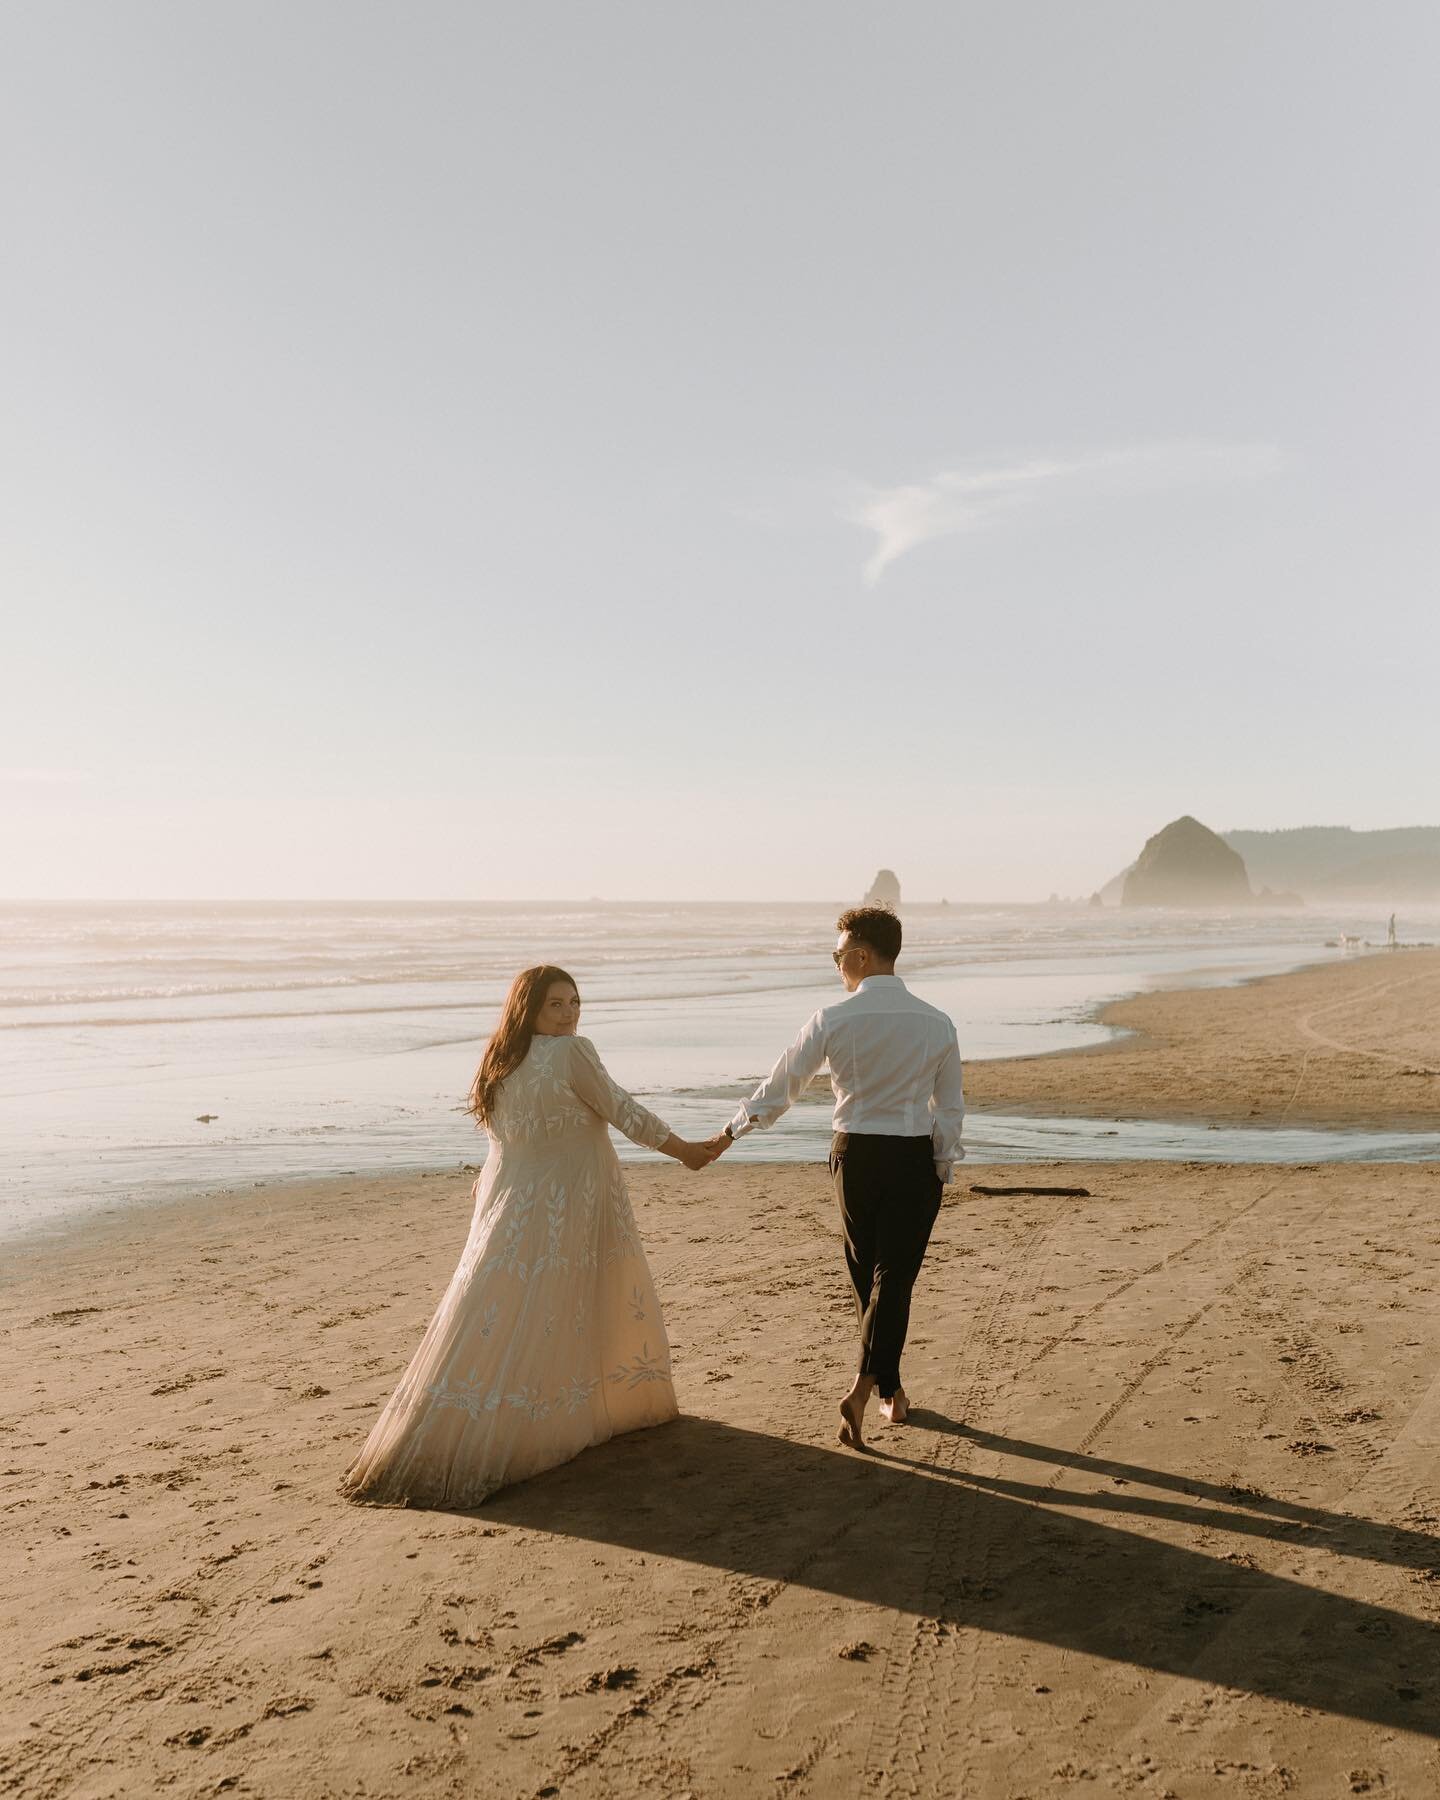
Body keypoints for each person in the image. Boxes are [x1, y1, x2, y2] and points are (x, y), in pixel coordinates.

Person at [342, 965, 718, 1508]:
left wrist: (487, 1193)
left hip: (512, 1200)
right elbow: (622, 1111)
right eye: (555, 1006)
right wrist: (683, 1150)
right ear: (530, 1011)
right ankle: (570, 1416)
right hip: (569, 1197)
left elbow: (499, 1139)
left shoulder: (498, 1059)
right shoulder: (572, 1053)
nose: (568, 1014)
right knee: (569, 1298)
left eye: (574, 1002)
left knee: (504, 1304)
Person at [711, 906, 963, 1451]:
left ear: (863, 955)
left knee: (866, 1274)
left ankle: (881, 1388)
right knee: (892, 1279)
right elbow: (950, 1108)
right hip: (913, 1156)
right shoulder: (937, 1022)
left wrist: (730, 1133)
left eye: (838, 954)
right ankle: (872, 1386)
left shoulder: (831, 1018)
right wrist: (941, 1164)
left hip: (854, 1156)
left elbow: (782, 1085)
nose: (836, 964)